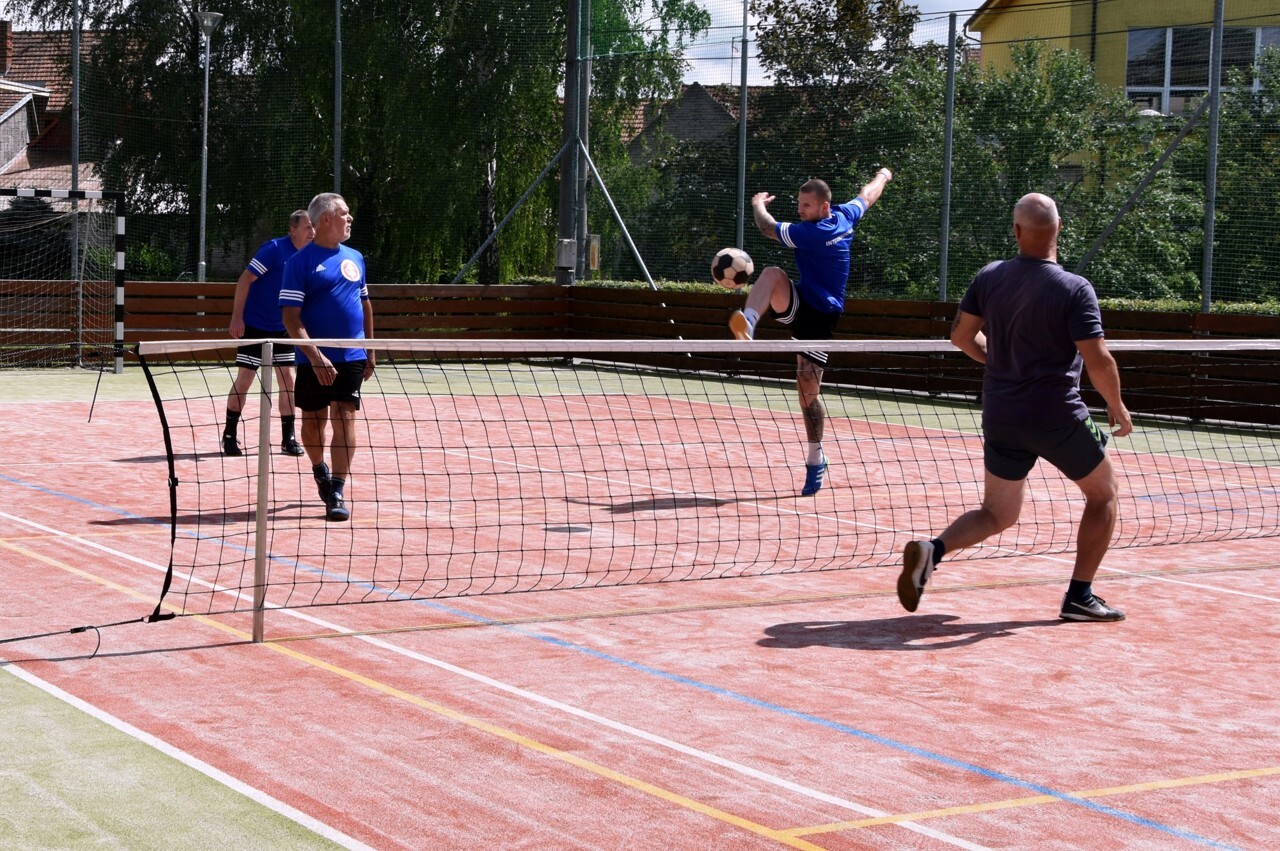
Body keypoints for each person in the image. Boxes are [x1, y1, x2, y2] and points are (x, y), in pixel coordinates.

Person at [897, 193, 1134, 622]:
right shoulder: (1074, 288)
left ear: (1017, 231)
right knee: (1104, 494)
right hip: (1056, 415)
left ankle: (934, 550)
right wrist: (1116, 404)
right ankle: (1079, 596)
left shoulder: (990, 276)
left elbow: (961, 336)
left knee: (997, 512)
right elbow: (1099, 358)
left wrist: (996, 360)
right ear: (1059, 229)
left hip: (1001, 414)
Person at [729, 168, 893, 495]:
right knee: (772, 274)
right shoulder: (845, 215)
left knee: (807, 389)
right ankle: (748, 322)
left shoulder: (812, 232)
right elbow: (867, 196)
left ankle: (817, 457)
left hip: (822, 316)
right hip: (801, 301)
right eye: (799, 204)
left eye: (806, 205)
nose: (800, 210)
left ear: (824, 207)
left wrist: (757, 202)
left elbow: (766, 227)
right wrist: (883, 177)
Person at [280, 193, 375, 522]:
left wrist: (370, 349)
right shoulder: (299, 263)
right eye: (344, 213)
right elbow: (290, 318)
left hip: (352, 355)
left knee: (345, 417)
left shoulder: (355, 257)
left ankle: (336, 488)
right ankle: (319, 470)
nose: (350, 218)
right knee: (312, 423)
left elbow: (365, 304)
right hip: (312, 359)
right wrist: (315, 356)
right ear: (325, 219)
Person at [222, 210, 315, 456]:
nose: (312, 232)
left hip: (284, 328)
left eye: (313, 227)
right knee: (245, 379)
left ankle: (288, 438)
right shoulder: (274, 249)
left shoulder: (310, 255)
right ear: (293, 230)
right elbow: (245, 280)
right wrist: (237, 317)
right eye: (307, 227)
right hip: (255, 326)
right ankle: (229, 435)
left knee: (288, 380)